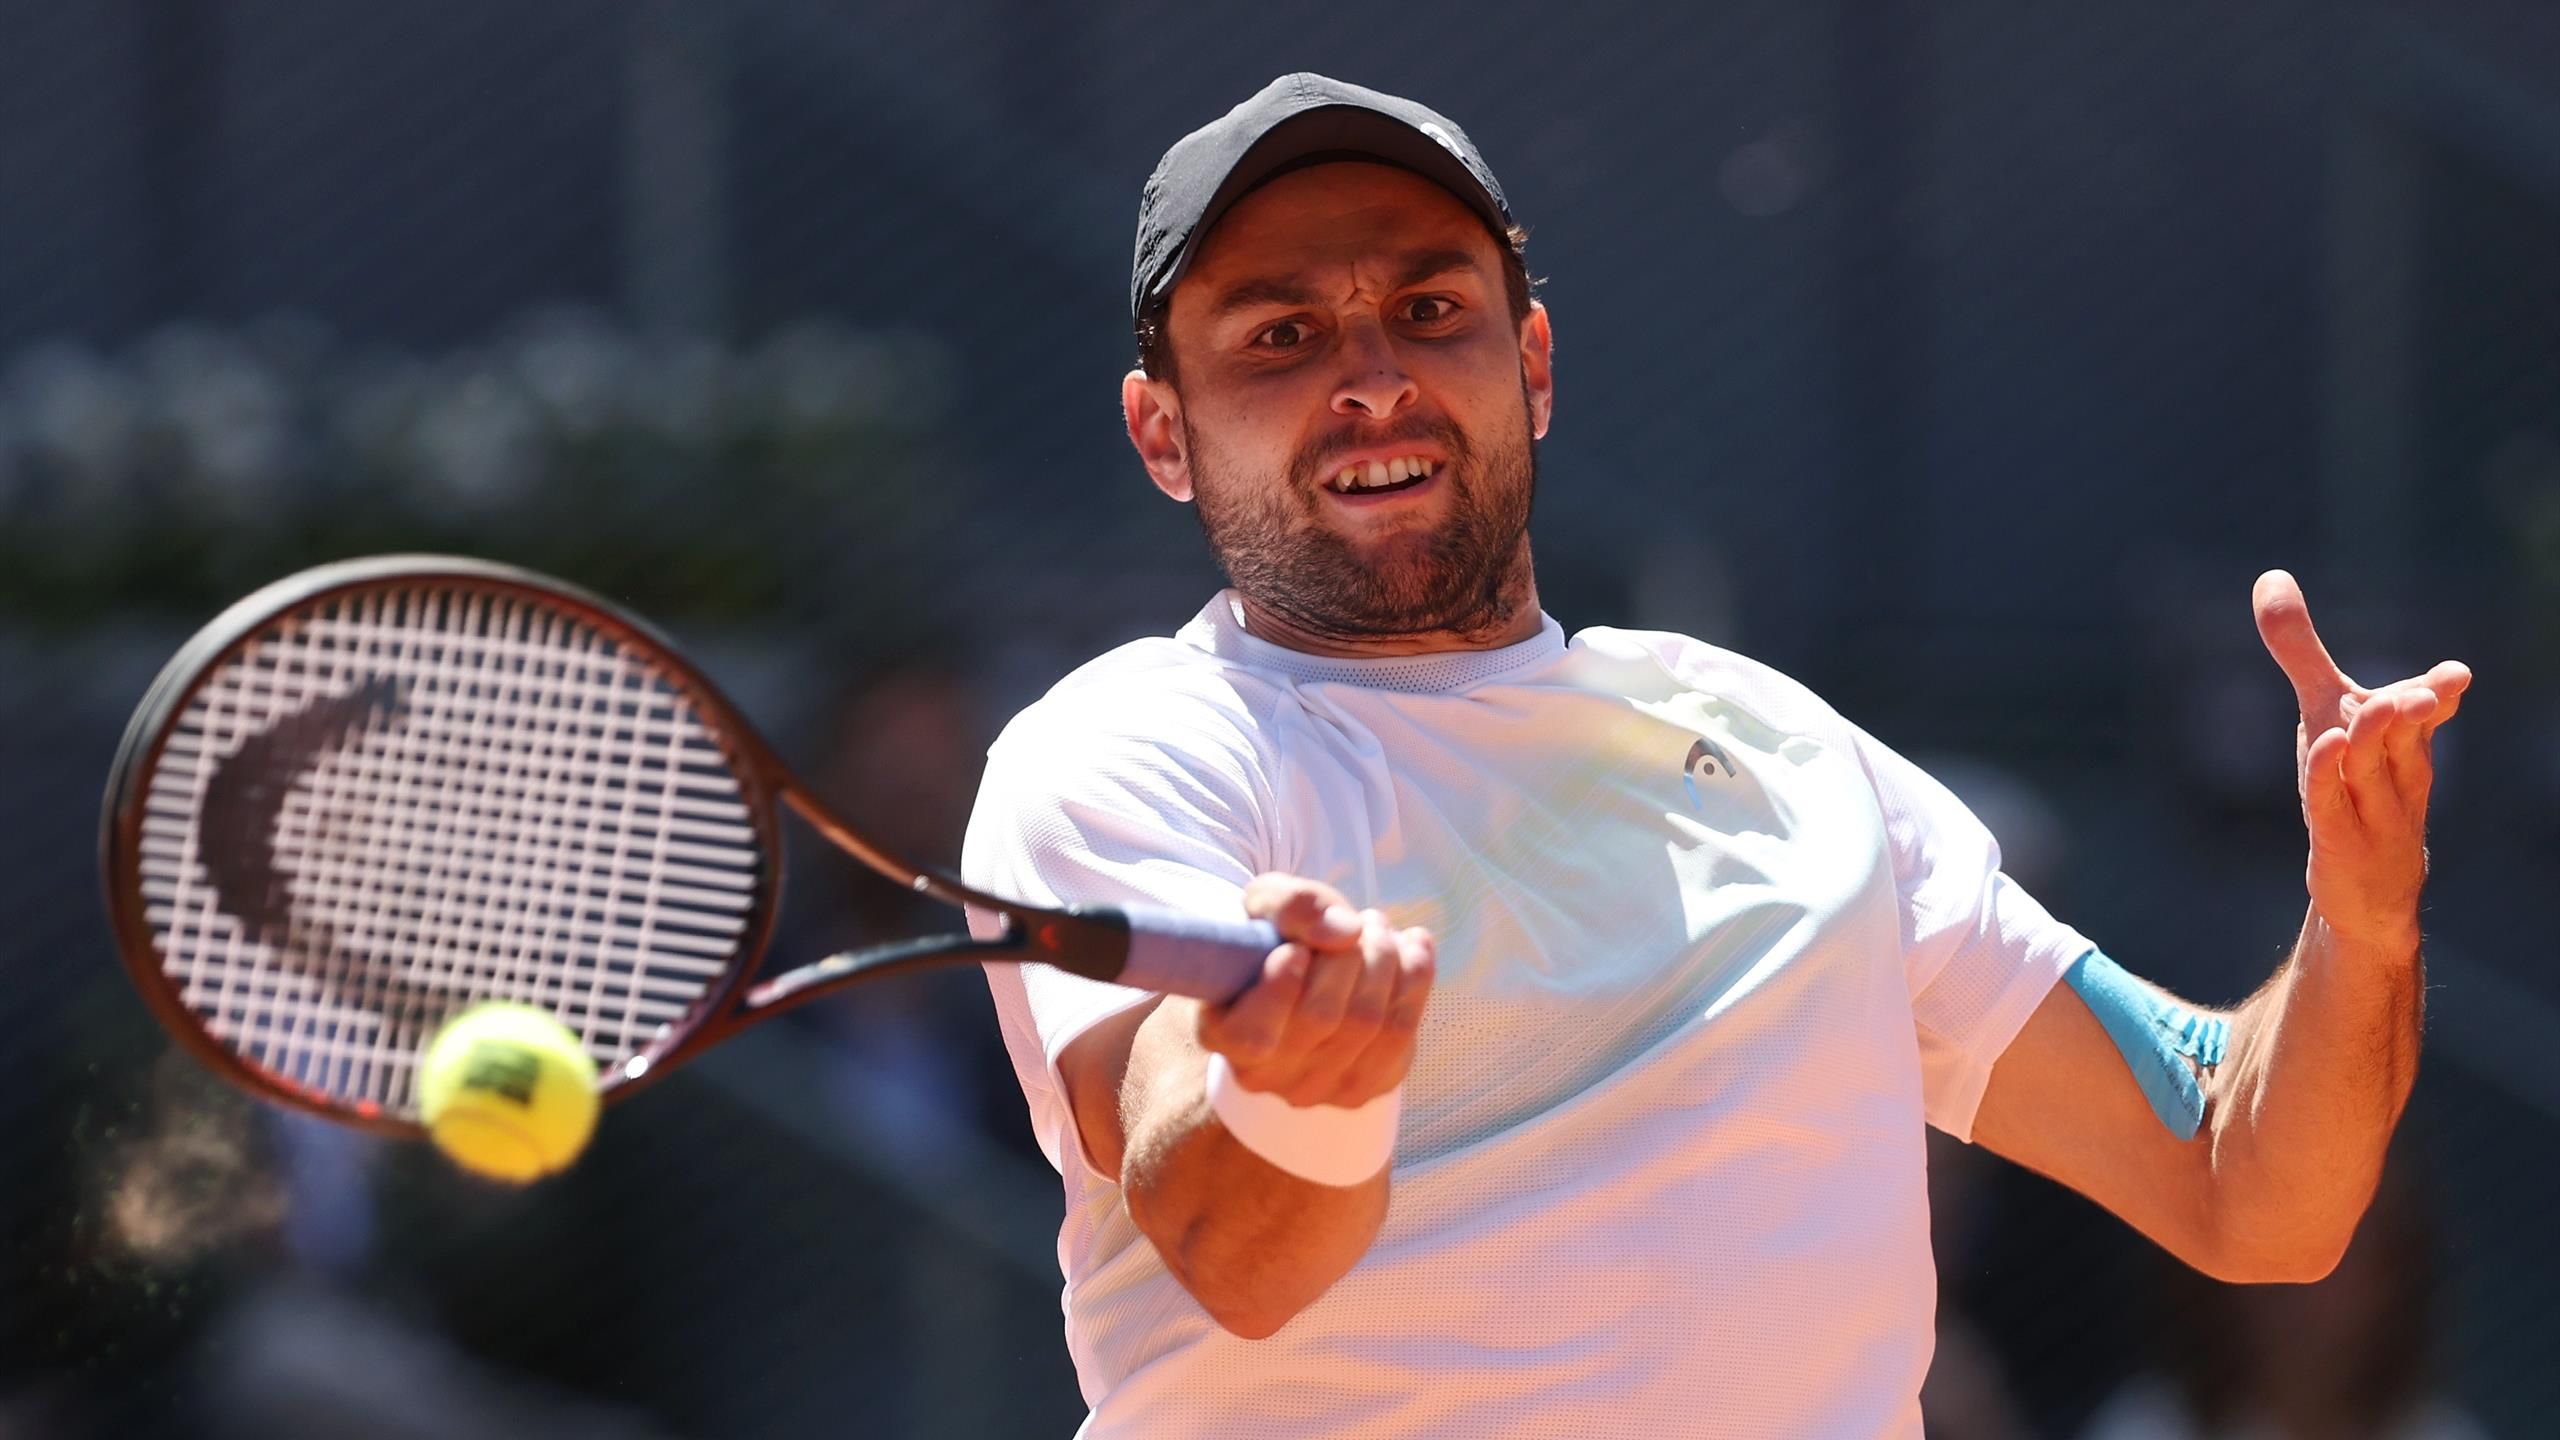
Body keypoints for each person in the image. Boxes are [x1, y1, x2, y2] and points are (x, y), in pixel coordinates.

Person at [959, 72, 2472, 1437]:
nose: (1371, 377)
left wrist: (2360, 923)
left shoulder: (1783, 746)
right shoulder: (1133, 749)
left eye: (1430, 310)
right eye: (1282, 333)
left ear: (1533, 364)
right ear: (1163, 434)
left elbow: (2247, 1182)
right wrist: (1308, 1084)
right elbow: (1229, 1244)